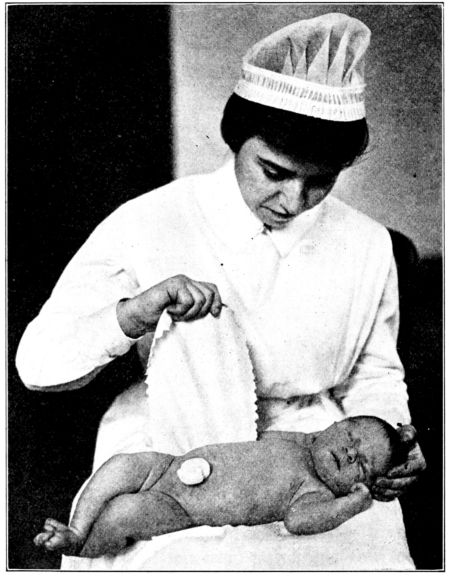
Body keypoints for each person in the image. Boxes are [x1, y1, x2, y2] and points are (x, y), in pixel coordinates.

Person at [17, 12, 426, 570]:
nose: (293, 201)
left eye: (320, 182)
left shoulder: (367, 243)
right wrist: (134, 314)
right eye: (274, 172)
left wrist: (393, 442)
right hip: (172, 441)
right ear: (237, 140)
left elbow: (374, 376)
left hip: (318, 454)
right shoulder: (151, 220)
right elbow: (38, 364)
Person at [34, 417, 414, 558]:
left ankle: (82, 546)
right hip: (172, 464)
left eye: (361, 464)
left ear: (360, 486)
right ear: (334, 425)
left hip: (183, 508)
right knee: (122, 464)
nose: (349, 452)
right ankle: (78, 526)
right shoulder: (303, 441)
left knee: (126, 512)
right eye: (350, 435)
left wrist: (350, 506)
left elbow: (299, 522)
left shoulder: (314, 491)